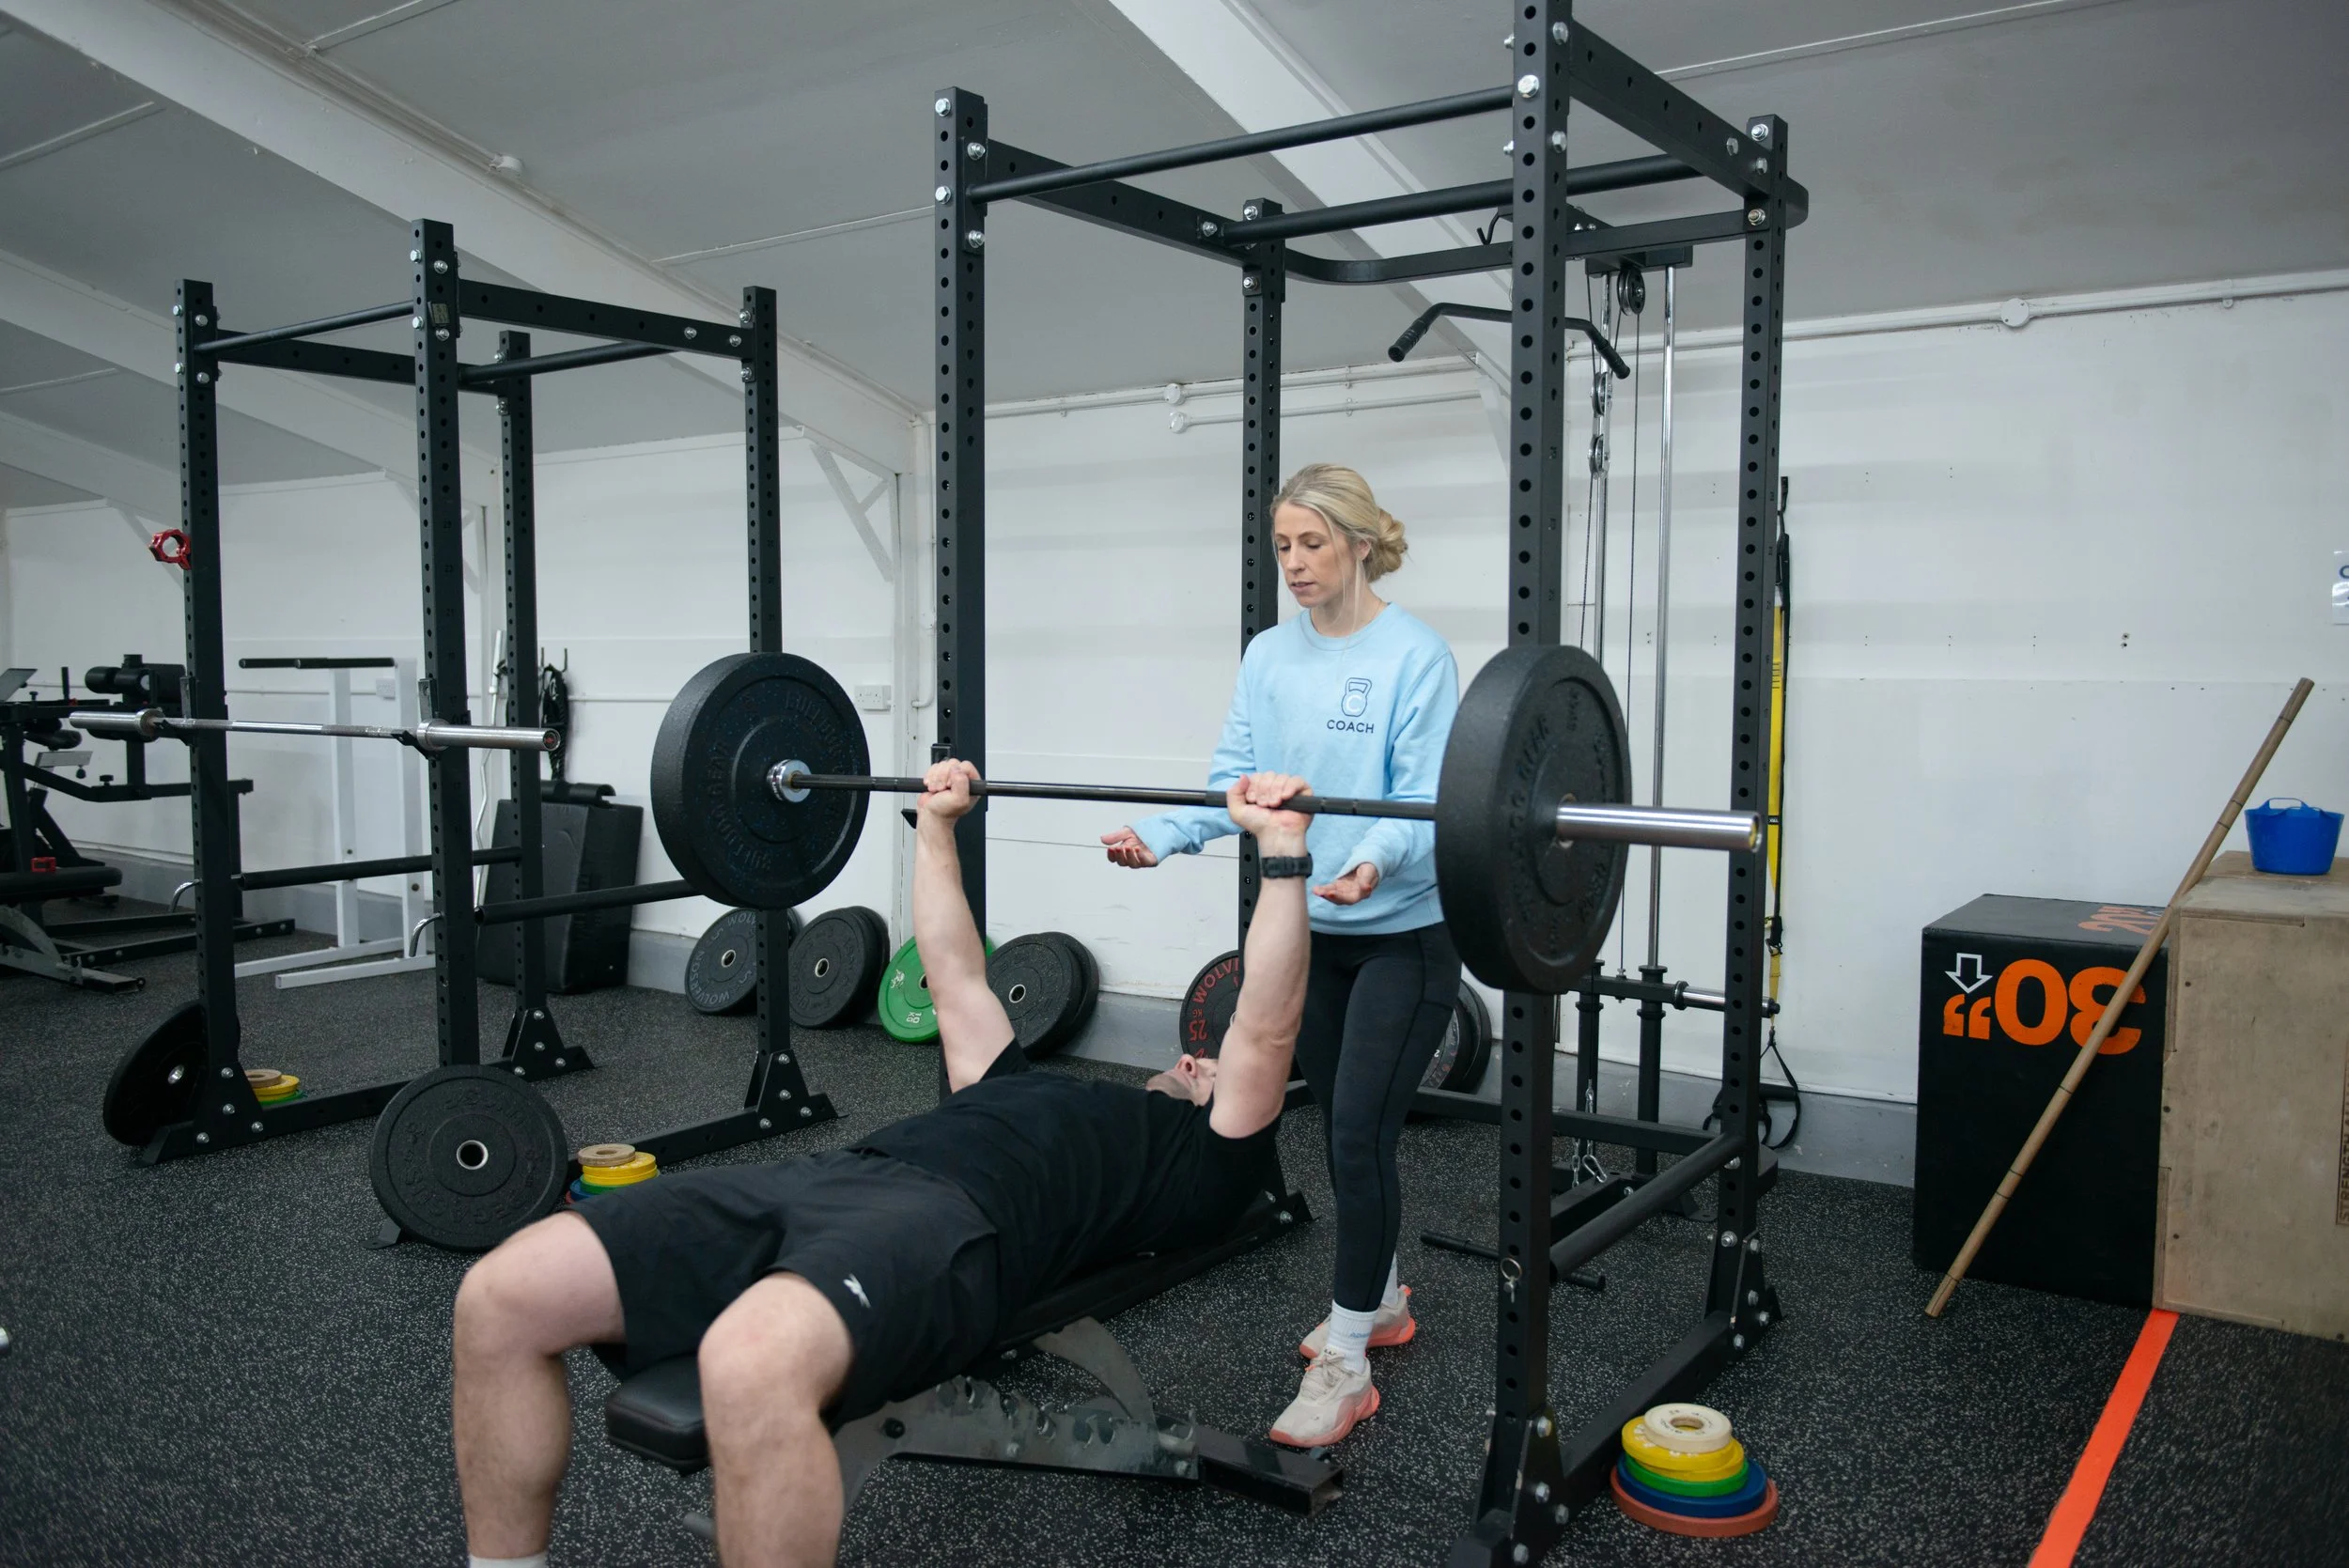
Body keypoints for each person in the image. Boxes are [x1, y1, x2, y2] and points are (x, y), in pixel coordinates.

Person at [449, 760, 1318, 1568]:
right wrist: (937, 826)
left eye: (1209, 1066)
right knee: (501, 1294)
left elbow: (1266, 1027)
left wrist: (1283, 857)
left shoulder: (1203, 1166)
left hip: (952, 1225)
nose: (1198, 1059)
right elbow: (955, 977)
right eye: (1197, 1056)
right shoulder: (1013, 1081)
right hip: (832, 1173)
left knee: (748, 1363)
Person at [1101, 462, 1461, 1442]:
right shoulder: (1268, 654)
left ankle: (1346, 1360)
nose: (1293, 564)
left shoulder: (1415, 655)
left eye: (1311, 543)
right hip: (1309, 934)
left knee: (1353, 1131)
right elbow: (1234, 780)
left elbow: (1424, 803)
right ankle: (1379, 1296)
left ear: (1357, 541)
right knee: (1349, 1131)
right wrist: (1163, 835)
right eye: (1281, 546)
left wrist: (1372, 865)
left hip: (1403, 937)